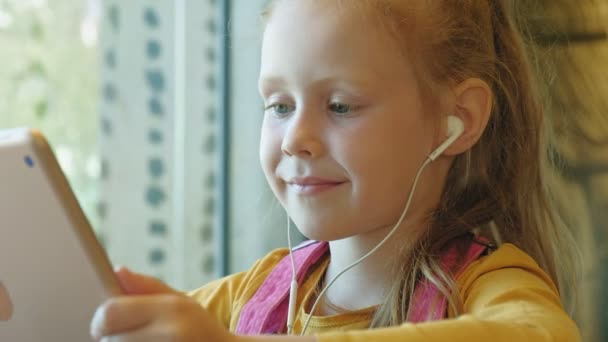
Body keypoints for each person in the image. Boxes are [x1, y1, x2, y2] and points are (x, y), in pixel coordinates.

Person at [90, 0, 582, 341]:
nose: (295, 139)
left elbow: (542, 334)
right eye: (279, 106)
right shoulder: (251, 296)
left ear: (459, 121)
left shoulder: (486, 284)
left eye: (341, 106)